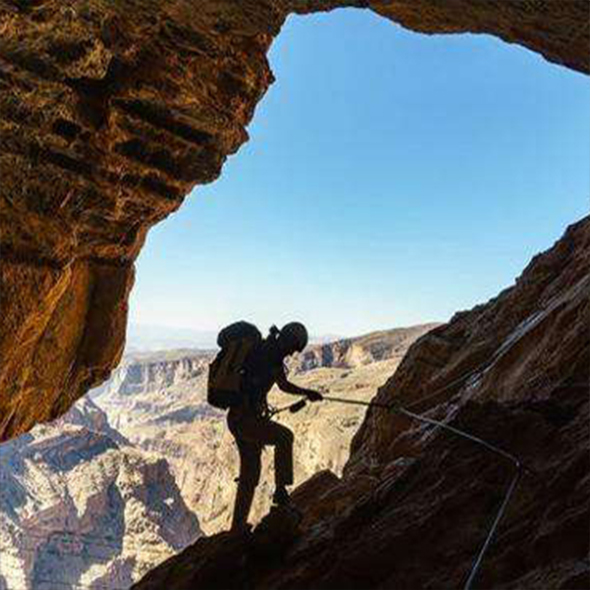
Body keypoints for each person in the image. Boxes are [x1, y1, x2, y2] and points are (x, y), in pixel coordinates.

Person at [227, 321, 323, 532]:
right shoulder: (269, 356)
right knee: (284, 437)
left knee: (250, 474)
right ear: (287, 339)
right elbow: (282, 384)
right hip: (246, 419)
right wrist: (307, 393)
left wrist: (307, 393)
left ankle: (237, 528)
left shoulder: (267, 352)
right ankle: (280, 492)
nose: (291, 352)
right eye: (292, 347)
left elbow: (283, 385)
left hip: (239, 418)